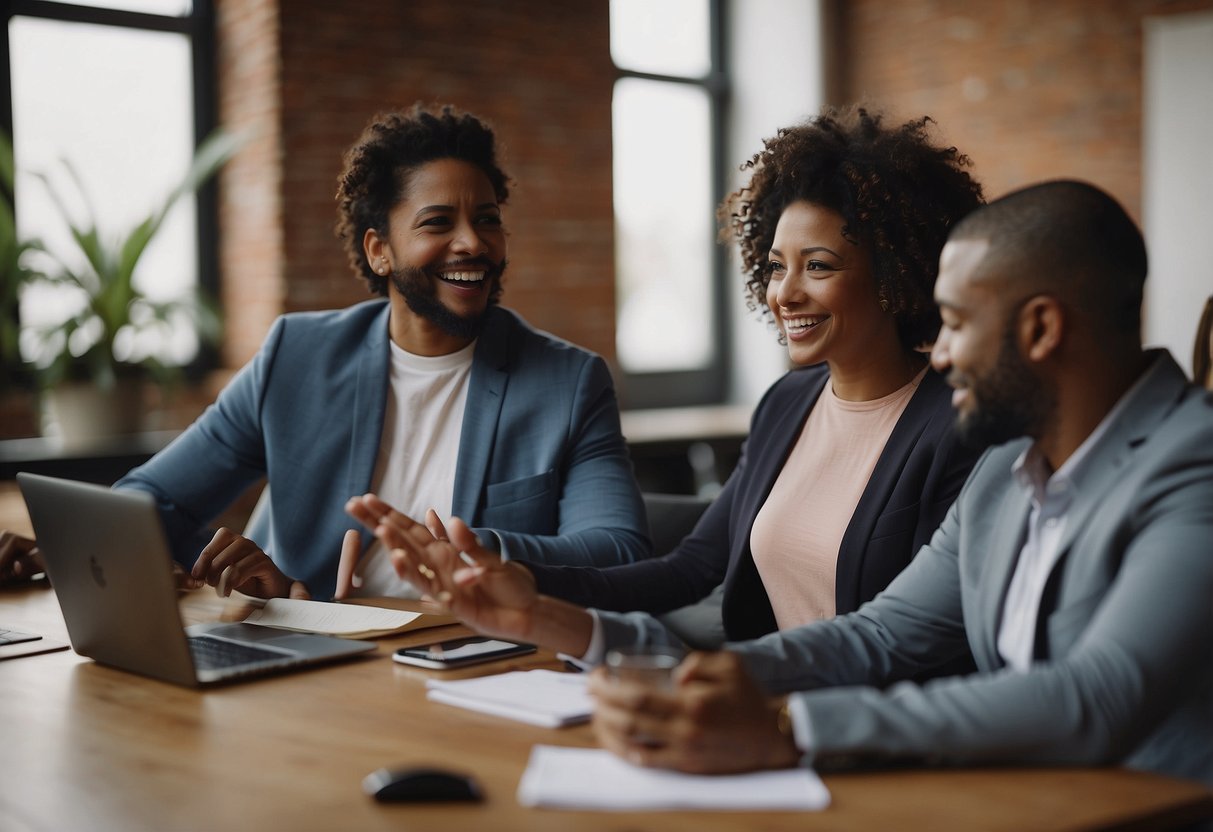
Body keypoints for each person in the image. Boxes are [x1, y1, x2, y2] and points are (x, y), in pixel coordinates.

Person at [369, 180, 1213, 786]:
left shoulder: (1192, 463)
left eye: (955, 323)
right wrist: (553, 621)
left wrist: (786, 727)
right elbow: (875, 636)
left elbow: (1101, 695)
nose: (942, 350)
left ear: (1039, 328)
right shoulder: (1004, 470)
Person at [350, 106, 985, 647]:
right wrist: (512, 573)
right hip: (756, 710)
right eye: (774, 266)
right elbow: (687, 568)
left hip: (860, 730)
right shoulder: (789, 403)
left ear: (898, 273)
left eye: (816, 266)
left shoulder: (955, 425)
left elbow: (910, 639)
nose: (783, 294)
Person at [0, 104, 649, 599]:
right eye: (436, 223)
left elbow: (618, 551)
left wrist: (468, 548)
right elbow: (156, 501)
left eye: (485, 219)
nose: (471, 243)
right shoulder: (297, 356)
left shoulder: (568, 382)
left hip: (469, 659)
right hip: (313, 660)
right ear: (378, 250)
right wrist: (59, 553)